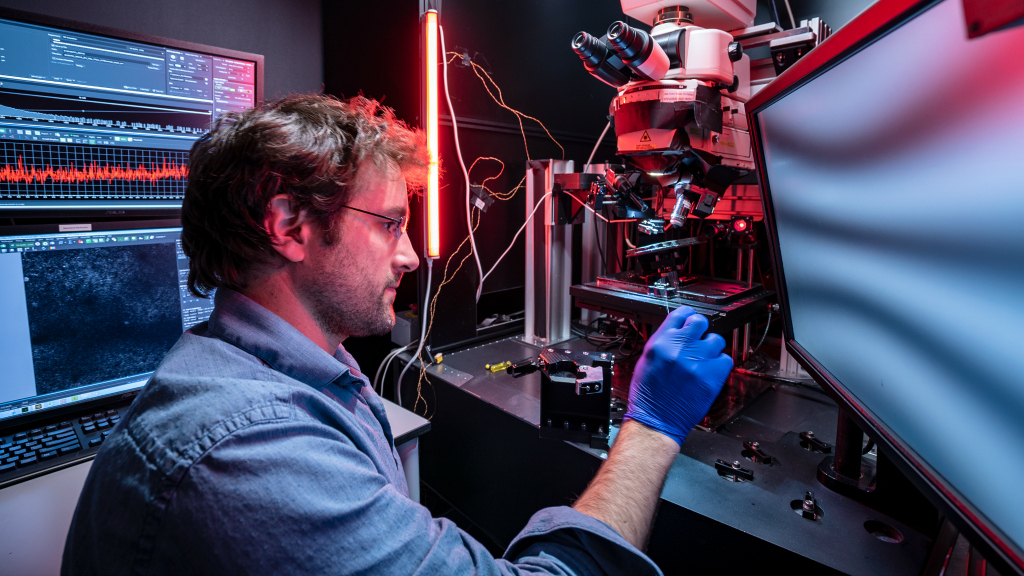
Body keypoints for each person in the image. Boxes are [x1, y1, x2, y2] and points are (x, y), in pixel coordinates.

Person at [62, 94, 733, 575]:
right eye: (389, 224)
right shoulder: (246, 452)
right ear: (290, 224)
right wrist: (652, 425)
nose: (411, 257)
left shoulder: (286, 369)